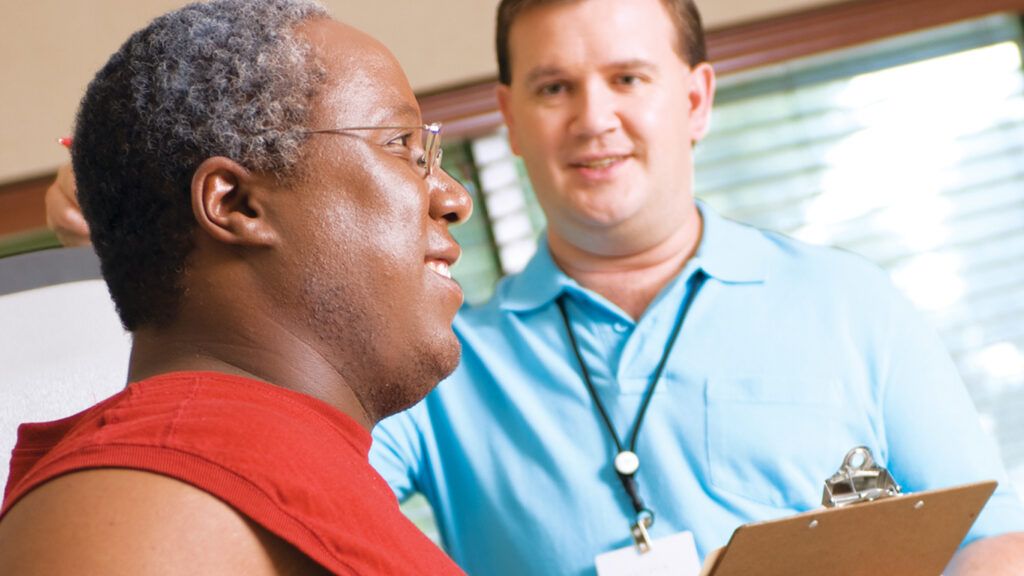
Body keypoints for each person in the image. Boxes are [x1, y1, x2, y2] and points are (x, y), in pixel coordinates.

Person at [40, 0, 1024, 575]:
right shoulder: (424, 350)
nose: (593, 118)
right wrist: (144, 218)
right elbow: (245, 458)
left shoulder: (849, 302)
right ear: (509, 117)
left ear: (695, 100)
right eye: (555, 88)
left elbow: (991, 543)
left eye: (628, 80)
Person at [0, 0, 472, 574]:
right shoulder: (148, 507)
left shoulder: (268, 474)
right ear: (237, 204)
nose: (454, 199)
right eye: (403, 146)